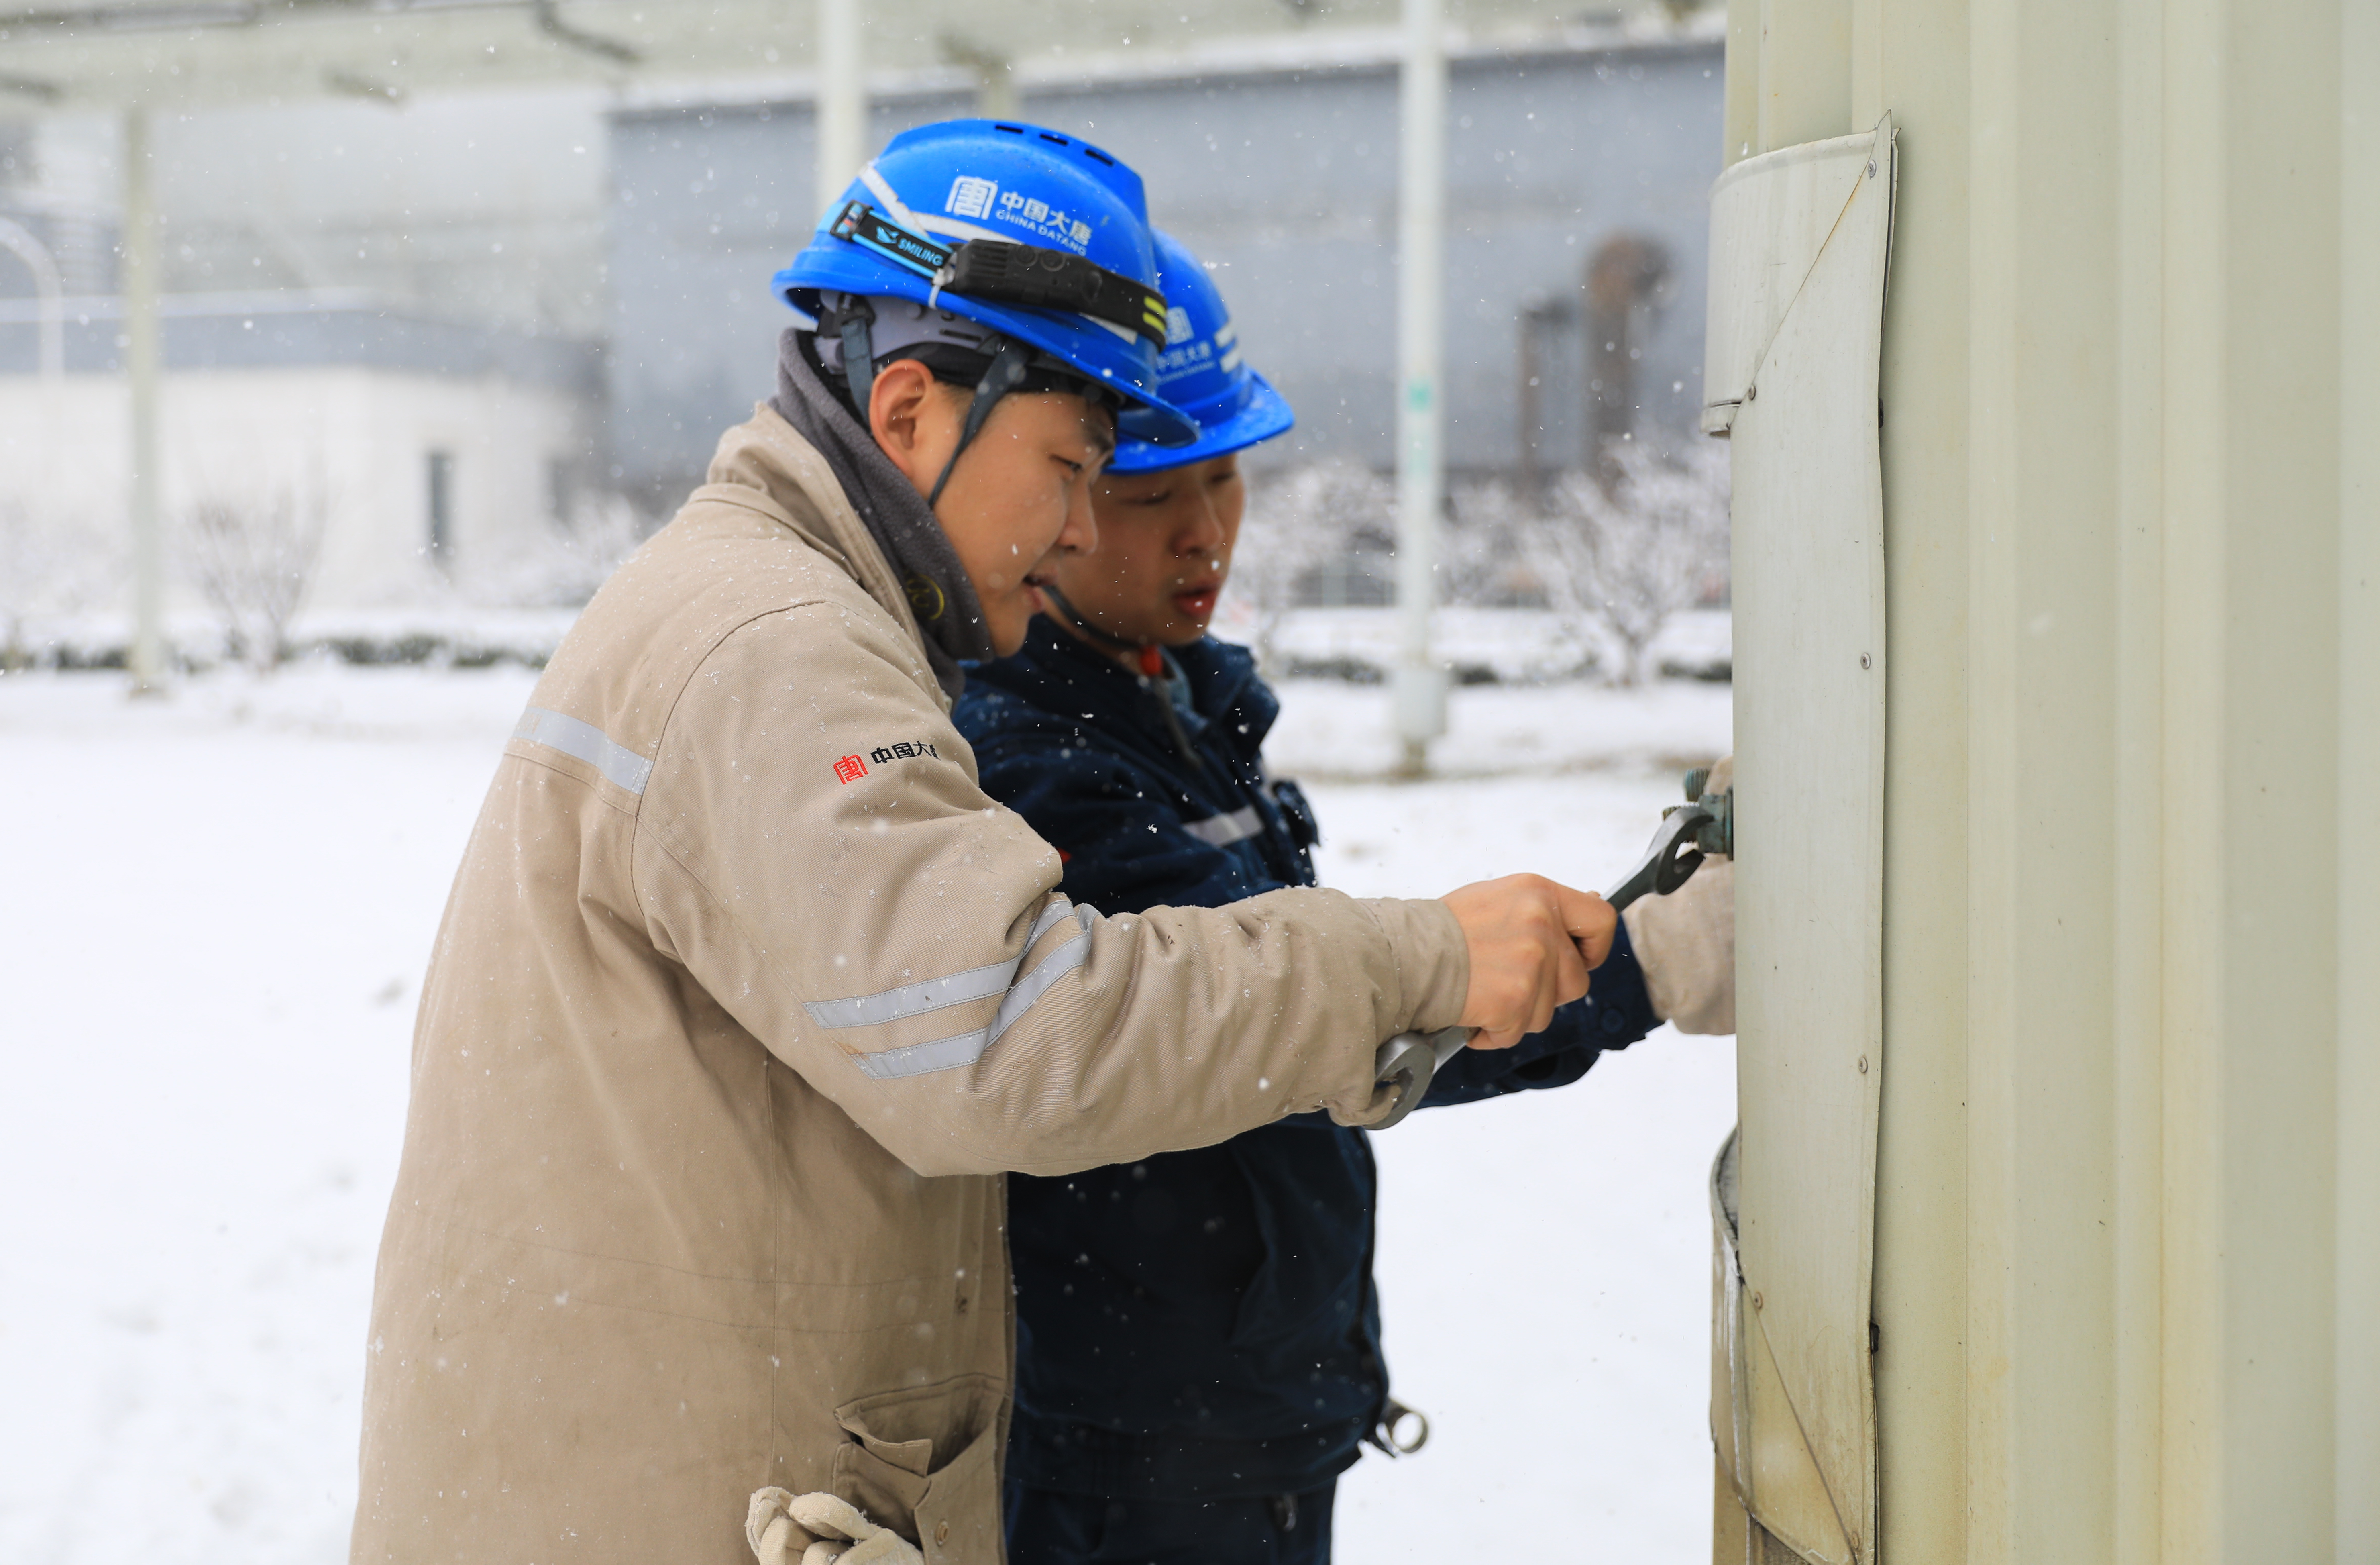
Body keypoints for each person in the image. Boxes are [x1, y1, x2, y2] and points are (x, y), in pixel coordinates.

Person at [351, 120, 1629, 1565]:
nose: (1087, 522)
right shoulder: (781, 652)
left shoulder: (788, 609)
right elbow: (1004, 1029)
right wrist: (1416, 960)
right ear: (909, 413)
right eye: (1079, 467)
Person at [952, 231, 1738, 1565]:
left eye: (1228, 476)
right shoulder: (1031, 762)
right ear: (1065, 500)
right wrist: (1642, 965)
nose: (1209, 530)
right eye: (1152, 494)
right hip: (1133, 1449)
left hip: (1232, 1403)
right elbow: (1303, 1032)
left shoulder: (1175, 702)